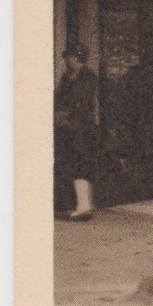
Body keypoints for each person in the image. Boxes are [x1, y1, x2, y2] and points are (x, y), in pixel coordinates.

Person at [54, 43, 98, 221]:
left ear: (78, 59)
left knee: (81, 164)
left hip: (81, 127)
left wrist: (65, 114)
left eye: (70, 58)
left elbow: (82, 102)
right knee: (71, 164)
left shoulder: (87, 78)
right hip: (67, 127)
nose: (67, 61)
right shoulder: (67, 78)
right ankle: (79, 205)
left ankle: (84, 206)